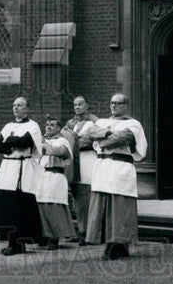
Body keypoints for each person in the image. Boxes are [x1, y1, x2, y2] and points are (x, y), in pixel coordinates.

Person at [85, 93, 148, 260]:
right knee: (103, 206)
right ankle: (108, 243)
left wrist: (102, 140)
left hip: (120, 168)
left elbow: (122, 138)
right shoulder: (102, 121)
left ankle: (119, 245)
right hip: (102, 167)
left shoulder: (134, 124)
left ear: (126, 105)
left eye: (118, 103)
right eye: (112, 102)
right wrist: (108, 134)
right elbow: (89, 132)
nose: (113, 105)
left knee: (120, 208)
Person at [0, 96, 43, 255]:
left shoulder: (33, 125)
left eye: (20, 105)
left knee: (20, 205)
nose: (16, 108)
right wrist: (12, 142)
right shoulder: (8, 125)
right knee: (7, 205)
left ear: (27, 108)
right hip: (8, 167)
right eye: (14, 105)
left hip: (23, 167)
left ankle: (18, 243)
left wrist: (9, 140)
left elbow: (25, 142)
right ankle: (11, 241)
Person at [36, 117, 77, 250]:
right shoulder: (42, 140)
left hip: (55, 176)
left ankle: (55, 237)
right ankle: (44, 235)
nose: (48, 127)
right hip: (41, 176)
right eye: (47, 124)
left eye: (52, 125)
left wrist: (43, 145)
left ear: (58, 128)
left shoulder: (62, 140)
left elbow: (59, 152)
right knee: (41, 207)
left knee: (54, 207)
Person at [63, 95, 99, 243]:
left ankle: (91, 233)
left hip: (89, 160)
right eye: (75, 105)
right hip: (75, 162)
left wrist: (78, 140)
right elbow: (66, 139)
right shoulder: (70, 124)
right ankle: (81, 230)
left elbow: (94, 139)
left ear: (87, 106)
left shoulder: (95, 121)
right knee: (78, 199)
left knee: (90, 197)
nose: (77, 107)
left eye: (80, 104)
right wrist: (78, 140)